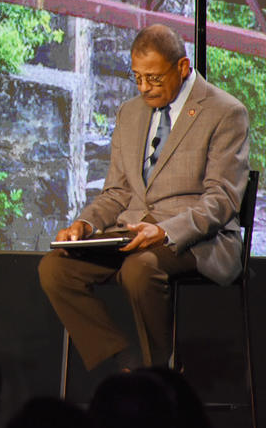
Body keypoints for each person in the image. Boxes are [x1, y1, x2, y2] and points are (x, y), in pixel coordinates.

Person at [38, 24, 249, 371]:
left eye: (153, 78)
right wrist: (84, 224)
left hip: (194, 239)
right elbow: (118, 191)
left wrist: (165, 232)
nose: (144, 88)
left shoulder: (225, 112)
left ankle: (159, 373)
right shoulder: (130, 113)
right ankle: (124, 363)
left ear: (182, 67)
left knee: (140, 269)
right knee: (56, 269)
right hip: (131, 234)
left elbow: (222, 198)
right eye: (137, 77)